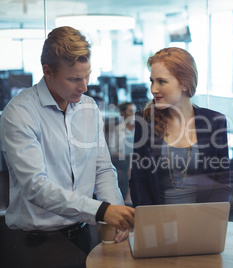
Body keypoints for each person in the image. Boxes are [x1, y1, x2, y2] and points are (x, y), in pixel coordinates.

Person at [0, 26, 134, 268]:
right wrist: (103, 211)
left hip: (84, 236)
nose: (83, 87)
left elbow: (102, 169)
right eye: (74, 79)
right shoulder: (19, 113)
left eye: (87, 76)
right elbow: (35, 187)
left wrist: (115, 213)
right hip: (37, 246)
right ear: (47, 72)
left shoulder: (89, 108)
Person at [129, 47, 231, 207]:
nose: (153, 89)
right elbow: (138, 180)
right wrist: (150, 220)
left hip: (203, 221)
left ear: (184, 84)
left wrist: (210, 218)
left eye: (161, 81)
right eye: (152, 81)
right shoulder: (145, 120)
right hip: (158, 223)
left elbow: (222, 181)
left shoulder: (215, 122)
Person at [109, 102, 136, 201]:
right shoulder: (117, 129)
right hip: (123, 159)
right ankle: (129, 195)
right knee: (131, 158)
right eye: (130, 111)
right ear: (123, 113)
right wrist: (124, 155)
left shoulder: (139, 128)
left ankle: (129, 196)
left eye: (134, 111)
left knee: (133, 157)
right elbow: (112, 150)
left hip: (137, 159)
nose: (133, 113)